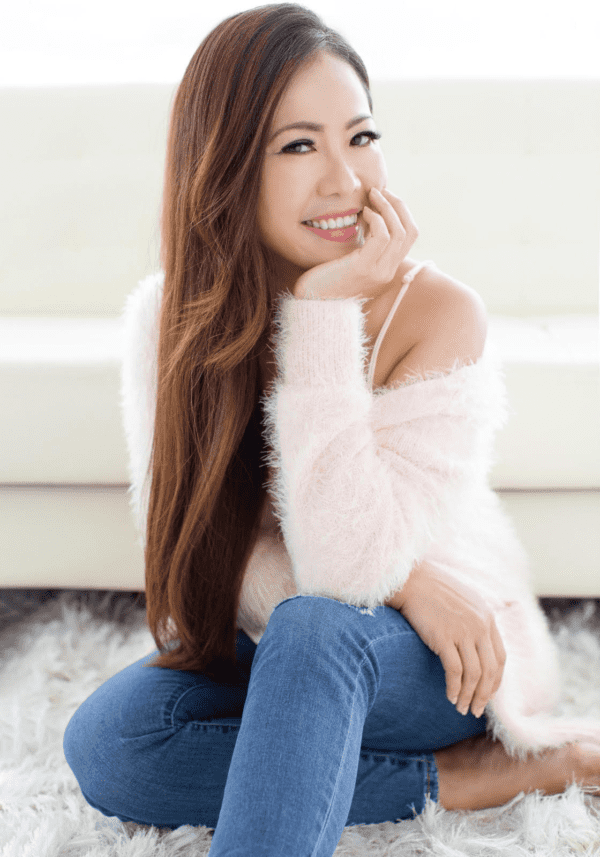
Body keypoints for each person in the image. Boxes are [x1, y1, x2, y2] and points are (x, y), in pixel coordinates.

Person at [63, 4, 600, 855]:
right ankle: (459, 779)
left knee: (317, 627)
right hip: (288, 633)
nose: (344, 179)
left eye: (361, 136)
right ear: (226, 166)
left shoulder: (439, 315)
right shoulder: (167, 318)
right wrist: (405, 580)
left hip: (445, 657)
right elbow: (203, 553)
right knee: (112, 740)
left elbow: (348, 571)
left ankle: (470, 748)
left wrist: (322, 316)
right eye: (298, 146)